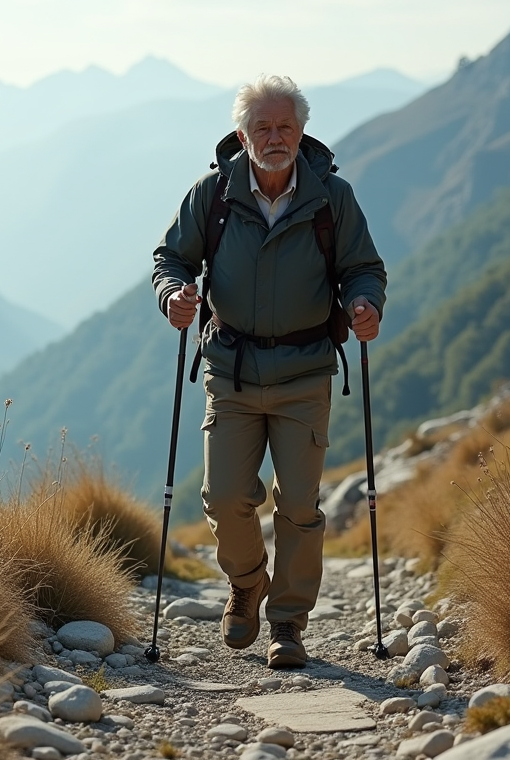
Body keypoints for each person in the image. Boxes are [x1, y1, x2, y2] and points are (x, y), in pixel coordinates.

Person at [151, 75, 387, 669]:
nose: (275, 137)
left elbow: (364, 268)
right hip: (229, 369)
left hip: (306, 373)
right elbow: (171, 259)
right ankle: (248, 582)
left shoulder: (333, 199)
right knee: (224, 495)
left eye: (285, 126)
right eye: (263, 127)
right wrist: (174, 293)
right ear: (243, 134)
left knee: (300, 505)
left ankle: (287, 622)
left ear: (302, 130)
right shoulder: (212, 196)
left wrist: (365, 305)